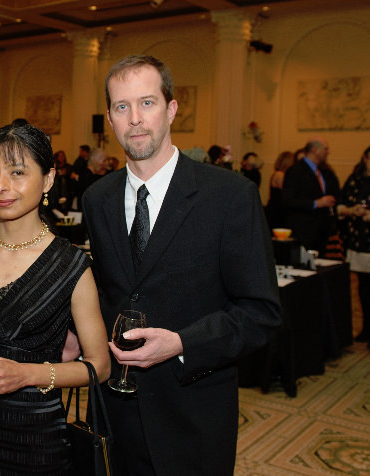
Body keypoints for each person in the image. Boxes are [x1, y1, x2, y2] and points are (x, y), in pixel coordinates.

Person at [82, 54, 282, 476]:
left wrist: (182, 343)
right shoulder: (97, 198)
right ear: (110, 119)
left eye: (147, 103)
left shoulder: (229, 196)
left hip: (195, 415)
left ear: (172, 109)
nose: (135, 119)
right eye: (122, 107)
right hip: (117, 412)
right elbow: (106, 292)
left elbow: (261, 313)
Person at [0, 123, 110, 475]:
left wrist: (25, 374)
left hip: (36, 443)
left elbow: (100, 365)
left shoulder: (72, 266)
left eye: (17, 172)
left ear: (48, 180)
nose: (1, 186)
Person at [282, 137, 341, 253]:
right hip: (303, 231)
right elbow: (287, 200)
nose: (328, 152)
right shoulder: (296, 170)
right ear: (315, 150)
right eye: (325, 149)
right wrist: (316, 203)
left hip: (320, 232)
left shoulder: (323, 172)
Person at [337, 146, 370, 345]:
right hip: (359, 241)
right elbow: (341, 205)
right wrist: (353, 210)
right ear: (365, 158)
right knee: (363, 288)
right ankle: (367, 327)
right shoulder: (355, 180)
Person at [265, 150, 295, 229]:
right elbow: (286, 192)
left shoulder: (277, 173)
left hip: (276, 209)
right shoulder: (280, 175)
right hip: (277, 211)